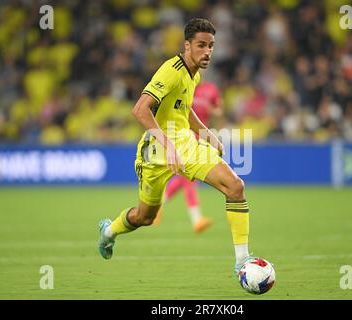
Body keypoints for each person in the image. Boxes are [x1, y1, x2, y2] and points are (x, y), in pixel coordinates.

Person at [98, 18, 252, 275]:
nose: (207, 51)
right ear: (187, 45)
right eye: (201, 45)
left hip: (184, 143)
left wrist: (205, 133)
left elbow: (184, 106)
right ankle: (108, 231)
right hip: (155, 150)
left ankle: (242, 262)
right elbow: (139, 110)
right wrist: (168, 146)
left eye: (211, 46)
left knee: (235, 186)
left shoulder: (195, 74)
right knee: (143, 217)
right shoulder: (172, 69)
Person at [152, 78, 223, 233]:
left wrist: (212, 111)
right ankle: (197, 219)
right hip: (183, 136)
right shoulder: (185, 86)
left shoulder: (211, 89)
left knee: (184, 178)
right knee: (189, 178)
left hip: (201, 135)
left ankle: (156, 207)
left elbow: (218, 110)